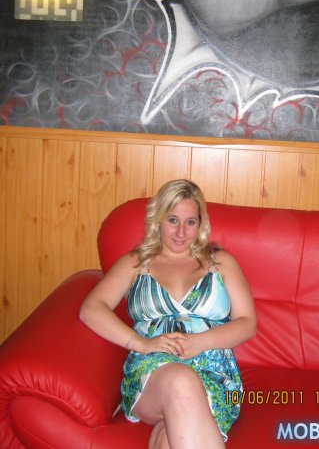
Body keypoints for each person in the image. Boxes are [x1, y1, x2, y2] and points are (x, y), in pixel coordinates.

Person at [80, 179, 257, 448]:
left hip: (214, 373)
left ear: (200, 224)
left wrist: (201, 342)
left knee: (168, 437)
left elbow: (247, 323)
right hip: (152, 371)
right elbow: (91, 309)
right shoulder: (136, 263)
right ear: (159, 220)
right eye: (173, 220)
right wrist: (141, 344)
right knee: (181, 382)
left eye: (190, 222)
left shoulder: (221, 262)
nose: (181, 232)